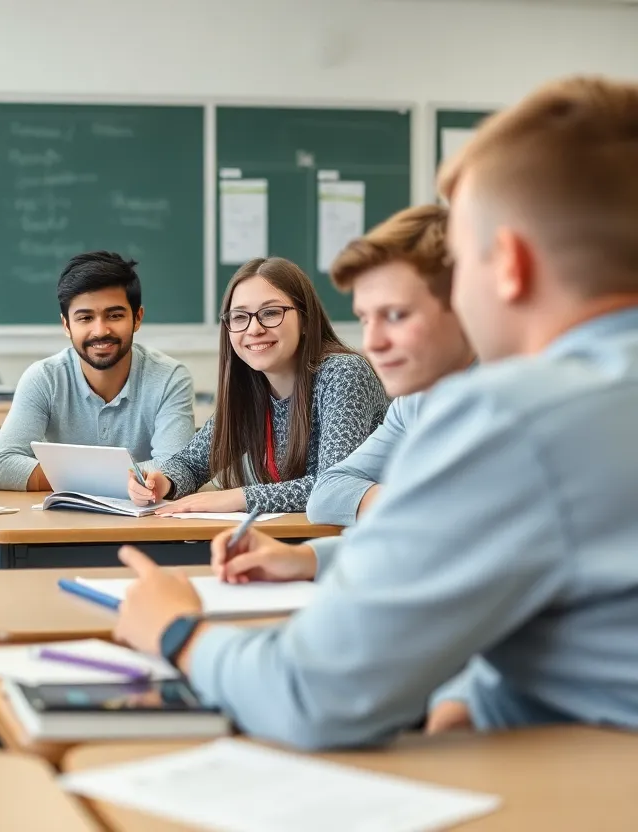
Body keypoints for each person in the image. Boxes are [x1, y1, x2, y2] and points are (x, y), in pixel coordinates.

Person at [110, 75, 638, 748]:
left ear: (507, 264)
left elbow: (310, 698)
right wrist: (473, 693)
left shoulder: (514, 416)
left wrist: (177, 630)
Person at [128, 257, 388, 514]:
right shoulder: (252, 387)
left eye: (271, 313)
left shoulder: (343, 373)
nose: (254, 328)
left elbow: (335, 487)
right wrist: (163, 482)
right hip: (301, 539)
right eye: (240, 317)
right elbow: (191, 463)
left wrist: (238, 498)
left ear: (306, 320)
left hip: (378, 539)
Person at [307, 204, 476, 525]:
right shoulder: (413, 403)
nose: (372, 343)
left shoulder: (515, 402)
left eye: (396, 315)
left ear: (464, 302)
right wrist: (307, 558)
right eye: (365, 319)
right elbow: (326, 493)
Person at [0, 251, 195, 491]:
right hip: (67, 523)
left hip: (146, 522)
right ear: (66, 325)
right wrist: (125, 477)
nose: (100, 330)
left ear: (137, 318)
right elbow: (2, 467)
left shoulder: (170, 378)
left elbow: (174, 468)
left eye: (114, 315)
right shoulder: (44, 378)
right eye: (85, 318)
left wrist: (66, 475)